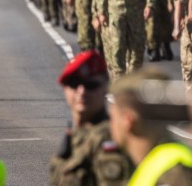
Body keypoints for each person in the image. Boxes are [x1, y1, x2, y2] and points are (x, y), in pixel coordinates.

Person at [107, 68, 192, 186]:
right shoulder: (154, 161)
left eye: (112, 117)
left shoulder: (173, 174)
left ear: (127, 120)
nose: (110, 124)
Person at [50, 50, 132, 186]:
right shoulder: (76, 136)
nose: (81, 92)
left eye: (91, 85)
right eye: (74, 84)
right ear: (65, 89)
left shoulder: (109, 140)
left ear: (106, 87)